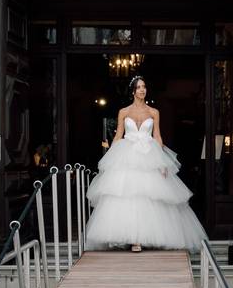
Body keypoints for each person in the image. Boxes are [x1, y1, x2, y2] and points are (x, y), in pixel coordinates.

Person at [84, 76, 207, 252]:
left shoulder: (154, 112)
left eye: (144, 87)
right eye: (139, 87)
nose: (142, 90)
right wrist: (110, 160)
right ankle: (133, 239)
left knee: (150, 197)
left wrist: (163, 163)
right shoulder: (123, 112)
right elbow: (118, 136)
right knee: (128, 196)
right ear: (133, 91)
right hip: (127, 154)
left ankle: (144, 237)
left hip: (150, 154)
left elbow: (157, 136)